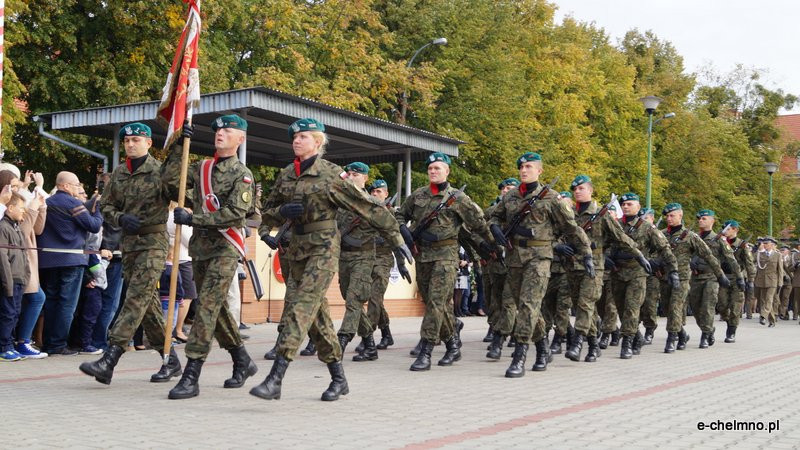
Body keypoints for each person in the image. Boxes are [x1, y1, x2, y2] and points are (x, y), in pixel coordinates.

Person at [251, 118, 410, 401]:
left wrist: (397, 239)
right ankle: (339, 378)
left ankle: (276, 376)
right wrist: (278, 216)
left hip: (323, 249)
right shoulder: (287, 174)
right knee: (318, 318)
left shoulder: (331, 175)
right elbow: (268, 210)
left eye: (304, 136)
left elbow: (368, 207)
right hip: (297, 248)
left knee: (301, 306)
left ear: (318, 142)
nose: (297, 140)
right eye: (295, 136)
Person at [80, 122, 184, 385]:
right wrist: (121, 218)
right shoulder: (118, 174)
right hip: (130, 244)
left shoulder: (159, 171)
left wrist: (180, 149)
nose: (130, 144)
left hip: (153, 242)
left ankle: (109, 359)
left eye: (136, 140)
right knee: (146, 305)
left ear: (149, 144)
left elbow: (179, 191)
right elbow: (107, 206)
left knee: (135, 298)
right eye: (127, 141)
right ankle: (170, 360)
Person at [164, 115, 259, 399]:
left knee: (205, 307)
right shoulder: (202, 168)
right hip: (201, 250)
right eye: (218, 130)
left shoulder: (243, 174)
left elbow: (234, 214)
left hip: (224, 250)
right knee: (215, 310)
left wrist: (194, 219)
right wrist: (180, 147)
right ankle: (242, 360)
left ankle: (192, 375)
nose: (220, 133)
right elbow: (172, 185)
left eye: (228, 130)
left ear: (239, 138)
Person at [489, 152, 593, 377]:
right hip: (515, 257)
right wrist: (496, 227)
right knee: (527, 307)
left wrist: (586, 254)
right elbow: (494, 217)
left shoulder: (552, 198)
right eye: (521, 167)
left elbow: (571, 228)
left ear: (539, 170)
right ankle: (543, 347)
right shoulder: (511, 196)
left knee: (528, 305)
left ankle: (519, 356)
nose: (524, 170)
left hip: (540, 257)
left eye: (528, 166)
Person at [398, 152, 493, 372]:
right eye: (430, 169)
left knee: (436, 303)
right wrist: (404, 229)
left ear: (447, 171)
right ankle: (452, 344)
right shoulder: (418, 195)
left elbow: (478, 224)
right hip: (422, 256)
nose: (433, 171)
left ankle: (426, 351)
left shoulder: (458, 199)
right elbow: (400, 215)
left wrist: (490, 245)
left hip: (446, 256)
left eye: (438, 168)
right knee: (434, 304)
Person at [564, 177, 653, 362]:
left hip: (594, 266)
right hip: (573, 266)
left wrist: (638, 254)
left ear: (590, 190)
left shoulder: (601, 214)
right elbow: (556, 233)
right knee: (587, 309)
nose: (577, 191)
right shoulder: (568, 214)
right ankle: (594, 344)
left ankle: (578, 342)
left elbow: (620, 237)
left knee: (585, 304)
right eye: (575, 189)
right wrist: (558, 246)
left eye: (581, 188)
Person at [39, 171, 102, 355]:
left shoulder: (47, 203)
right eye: (76, 185)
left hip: (48, 261)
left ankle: (48, 343)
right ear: (65, 186)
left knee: (51, 302)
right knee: (67, 304)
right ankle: (58, 345)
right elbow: (94, 225)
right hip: (71, 260)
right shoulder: (74, 203)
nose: (79, 188)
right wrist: (97, 210)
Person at [661, 203, 723, 352]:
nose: (669, 218)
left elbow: (708, 255)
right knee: (667, 309)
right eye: (667, 216)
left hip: (682, 279)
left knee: (676, 308)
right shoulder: (661, 234)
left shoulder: (690, 236)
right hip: (664, 278)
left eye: (672, 215)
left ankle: (671, 339)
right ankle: (682, 334)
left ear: (680, 216)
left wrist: (720, 275)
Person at [686, 210, 739, 348]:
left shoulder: (719, 239)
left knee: (708, 307)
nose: (700, 221)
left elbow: (731, 260)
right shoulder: (692, 237)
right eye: (699, 218)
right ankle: (709, 329)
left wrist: (740, 278)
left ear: (712, 221)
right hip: (696, 277)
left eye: (704, 218)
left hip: (712, 277)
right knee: (696, 308)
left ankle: (705, 334)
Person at [367, 179, 398, 350]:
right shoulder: (367, 212)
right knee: (375, 299)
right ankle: (386, 334)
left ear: (386, 194)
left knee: (374, 298)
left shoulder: (392, 214)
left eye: (379, 192)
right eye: (373, 192)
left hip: (383, 260)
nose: (375, 194)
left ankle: (368, 337)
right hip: (366, 259)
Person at [0, 192, 30, 361]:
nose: (23, 211)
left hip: (19, 278)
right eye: (21, 208)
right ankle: (3, 347)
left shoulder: (15, 226)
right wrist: (7, 282)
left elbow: (24, 254)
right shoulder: (4, 227)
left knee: (15, 313)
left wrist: (25, 276)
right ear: (10, 208)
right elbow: (3, 258)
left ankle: (9, 344)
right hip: (10, 279)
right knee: (7, 313)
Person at [718, 220, 755, 343]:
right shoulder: (720, 243)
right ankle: (729, 321)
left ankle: (731, 331)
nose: (725, 231)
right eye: (724, 229)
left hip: (737, 279)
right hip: (723, 277)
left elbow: (749, 264)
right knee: (722, 305)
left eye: (728, 229)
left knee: (735, 306)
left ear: (735, 230)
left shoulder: (742, 245)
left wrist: (750, 281)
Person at [754, 236, 783, 327]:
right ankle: (772, 320)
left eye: (766, 243)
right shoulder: (760, 254)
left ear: (772, 245)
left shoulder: (777, 255)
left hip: (772, 280)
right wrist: (756, 250)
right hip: (761, 280)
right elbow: (752, 260)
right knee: (763, 300)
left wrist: (780, 283)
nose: (764, 245)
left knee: (769, 299)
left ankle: (763, 316)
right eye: (764, 243)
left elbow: (780, 270)